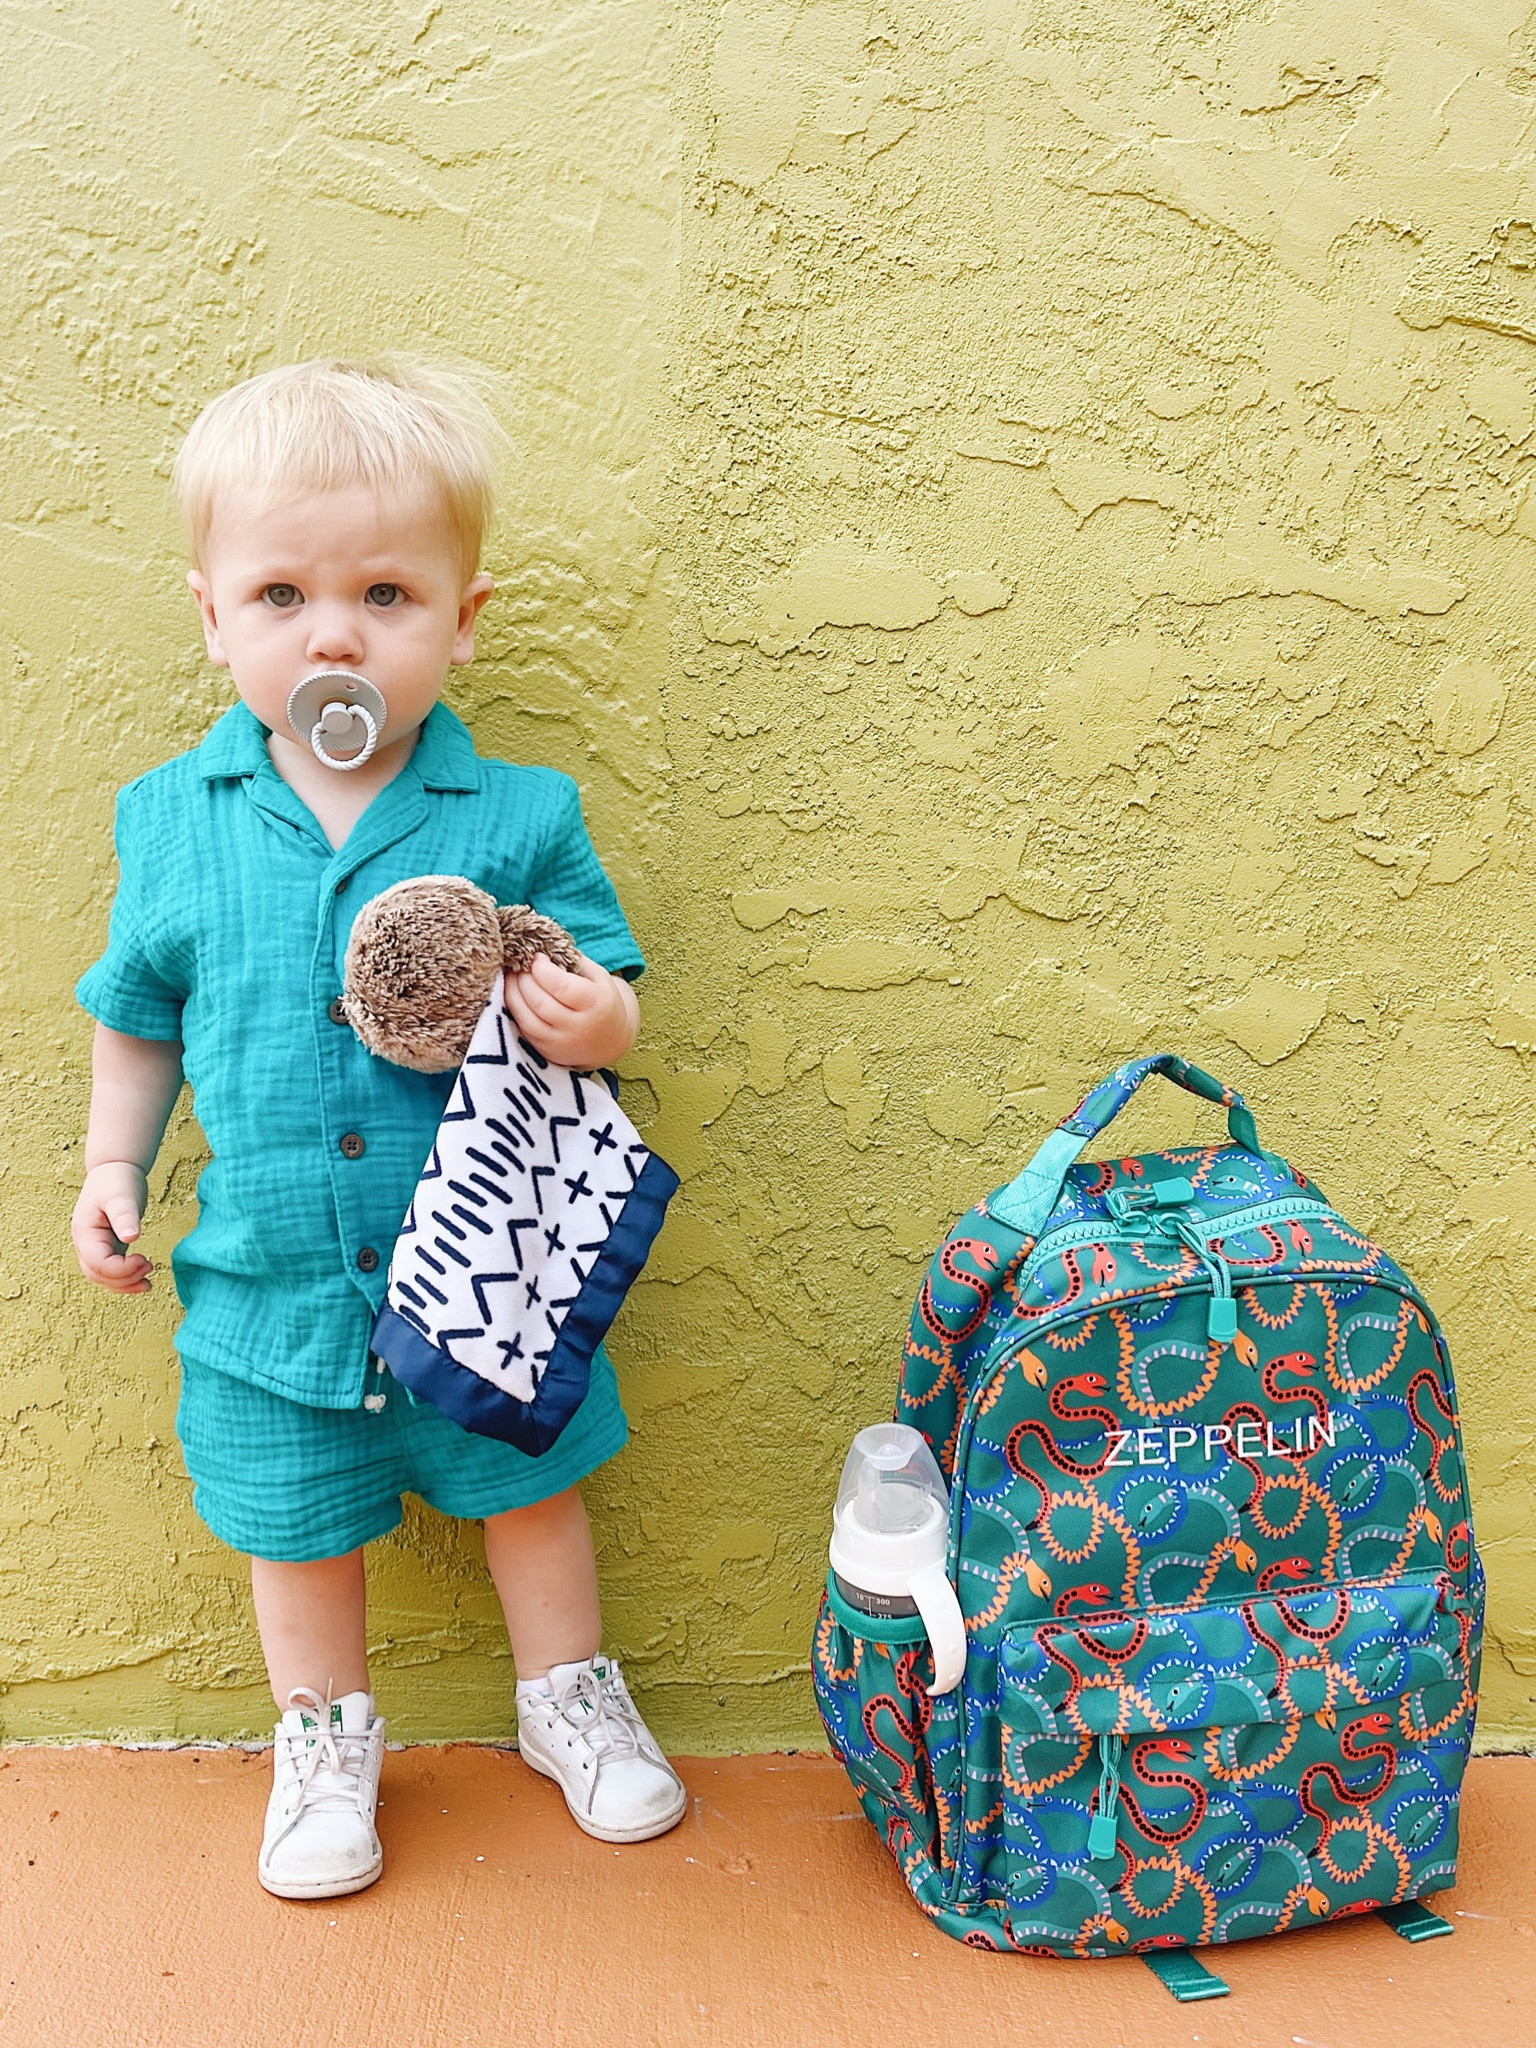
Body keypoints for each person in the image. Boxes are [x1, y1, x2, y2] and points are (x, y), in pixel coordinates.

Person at [69, 358, 685, 1900]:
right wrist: (110, 1164)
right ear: (212, 617)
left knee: (528, 1493)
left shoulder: (518, 811)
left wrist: (596, 1023)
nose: (334, 631)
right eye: (281, 592)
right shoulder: (172, 817)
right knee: (296, 1523)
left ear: (461, 619)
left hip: (489, 1260)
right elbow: (135, 1011)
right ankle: (325, 1739)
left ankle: (568, 1699)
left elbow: (602, 977)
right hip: (273, 1284)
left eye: (387, 593)